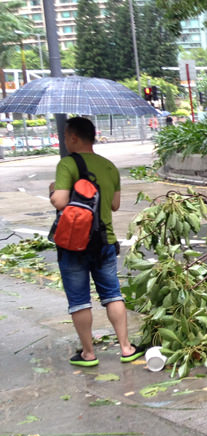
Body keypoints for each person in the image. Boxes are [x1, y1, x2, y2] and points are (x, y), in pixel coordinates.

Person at [49, 117, 143, 367]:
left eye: (65, 136)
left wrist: (53, 190)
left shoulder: (67, 164)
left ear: (74, 137)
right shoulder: (109, 166)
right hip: (104, 240)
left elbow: (59, 202)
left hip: (73, 244)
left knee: (79, 300)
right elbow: (115, 204)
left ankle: (88, 354)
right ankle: (126, 347)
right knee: (112, 294)